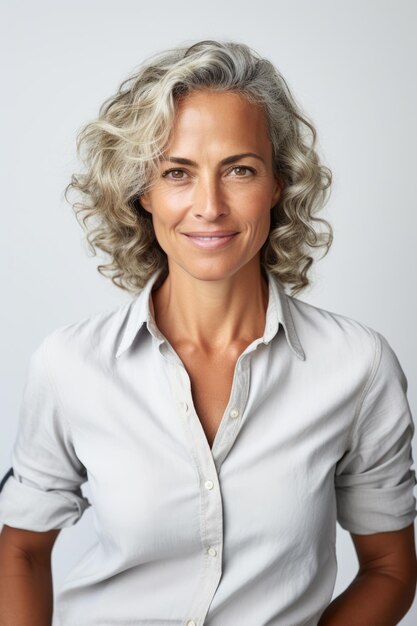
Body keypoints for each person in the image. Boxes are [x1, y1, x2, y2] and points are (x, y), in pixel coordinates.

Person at [0, 39, 416, 626]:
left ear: (278, 184)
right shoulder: (70, 365)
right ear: (142, 192)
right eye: (177, 173)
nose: (209, 206)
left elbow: (391, 569)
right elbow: (20, 550)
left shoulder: (357, 366)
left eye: (239, 170)